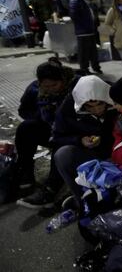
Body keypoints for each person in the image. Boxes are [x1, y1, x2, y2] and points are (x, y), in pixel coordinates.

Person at [15, 58, 75, 208]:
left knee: (60, 141)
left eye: (54, 85)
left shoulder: (76, 85)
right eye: (45, 86)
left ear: (62, 79)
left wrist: (60, 126)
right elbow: (23, 111)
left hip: (77, 131)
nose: (50, 89)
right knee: (25, 128)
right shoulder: (35, 90)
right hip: (52, 128)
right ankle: (26, 173)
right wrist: (42, 118)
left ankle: (50, 189)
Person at [50, 75, 117, 207]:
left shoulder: (117, 96)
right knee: (62, 154)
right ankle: (82, 198)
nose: (97, 110)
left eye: (100, 104)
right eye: (90, 107)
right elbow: (57, 138)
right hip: (90, 154)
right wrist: (79, 140)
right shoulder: (68, 109)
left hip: (119, 151)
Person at [69, 0, 102, 75]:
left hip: (89, 30)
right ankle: (84, 69)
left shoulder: (82, 0)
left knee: (92, 51)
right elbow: (74, 16)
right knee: (84, 52)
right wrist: (85, 25)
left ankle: (95, 66)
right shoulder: (74, 1)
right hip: (83, 32)